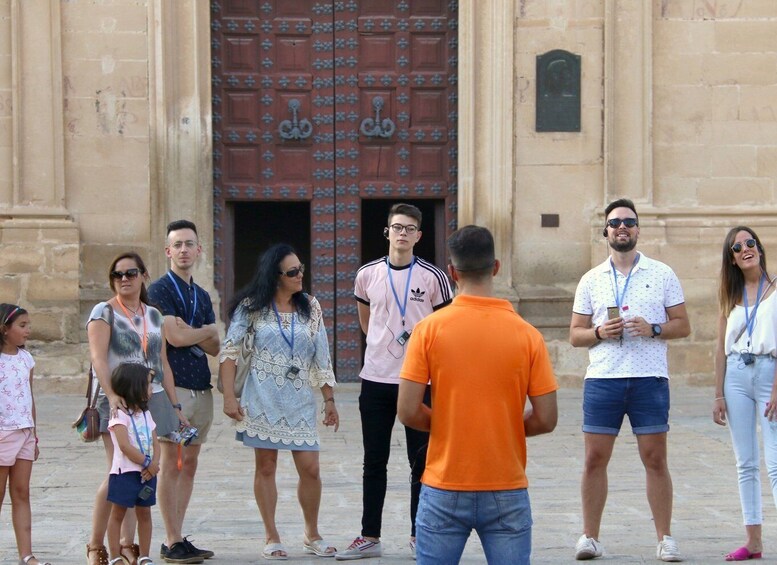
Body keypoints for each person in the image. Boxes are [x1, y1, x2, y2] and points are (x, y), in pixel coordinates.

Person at [397, 225, 559, 565]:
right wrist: (505, 425)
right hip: (506, 484)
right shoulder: (528, 336)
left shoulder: (428, 330)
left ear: (452, 272)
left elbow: (408, 411)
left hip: (444, 482)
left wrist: (448, 424)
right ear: (496, 267)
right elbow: (546, 418)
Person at [569, 198, 691, 562]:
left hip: (648, 378)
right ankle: (590, 537)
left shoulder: (662, 273)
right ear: (605, 231)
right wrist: (600, 332)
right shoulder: (590, 279)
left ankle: (665, 538)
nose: (622, 227)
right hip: (604, 378)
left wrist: (653, 328)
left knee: (655, 459)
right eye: (615, 222)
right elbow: (575, 334)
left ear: (638, 229)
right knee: (594, 459)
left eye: (629, 222)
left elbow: (683, 325)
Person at [337, 203, 452, 561]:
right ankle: (370, 535)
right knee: (375, 460)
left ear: (419, 235)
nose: (402, 233)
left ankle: (421, 534)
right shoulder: (367, 274)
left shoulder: (433, 277)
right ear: (387, 232)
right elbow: (366, 321)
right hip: (376, 380)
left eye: (409, 228)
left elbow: (444, 328)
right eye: (397, 227)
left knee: (423, 461)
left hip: (420, 381)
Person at [219, 243, 339, 560]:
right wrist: (230, 397)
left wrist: (329, 399)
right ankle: (271, 535)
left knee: (311, 469)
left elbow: (322, 355)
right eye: (293, 271)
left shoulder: (311, 307)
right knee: (267, 466)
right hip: (262, 394)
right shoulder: (251, 307)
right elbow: (230, 351)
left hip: (300, 397)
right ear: (276, 276)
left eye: (301, 269)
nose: (301, 275)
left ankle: (312, 534)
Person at [86, 252, 190, 565]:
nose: (124, 279)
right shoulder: (104, 311)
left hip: (152, 397)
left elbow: (163, 363)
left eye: (131, 273)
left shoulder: (154, 314)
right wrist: (111, 395)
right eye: (117, 275)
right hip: (117, 396)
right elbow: (98, 358)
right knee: (119, 471)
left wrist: (175, 405)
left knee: (140, 473)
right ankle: (95, 545)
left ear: (143, 275)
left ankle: (126, 545)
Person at [148, 220, 219, 563]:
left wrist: (196, 330)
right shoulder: (159, 290)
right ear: (168, 251)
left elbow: (216, 346)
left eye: (190, 244)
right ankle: (171, 538)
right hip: (171, 389)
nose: (184, 250)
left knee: (189, 463)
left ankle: (178, 535)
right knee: (170, 463)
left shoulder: (202, 295)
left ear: (198, 249)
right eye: (178, 245)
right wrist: (202, 330)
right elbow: (173, 337)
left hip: (201, 388)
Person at [712, 226, 777, 562]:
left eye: (750, 243)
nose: (745, 249)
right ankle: (753, 542)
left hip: (770, 372)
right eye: (737, 248)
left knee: (776, 461)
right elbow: (720, 350)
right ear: (733, 259)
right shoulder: (730, 295)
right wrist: (717, 394)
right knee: (745, 463)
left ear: (760, 249)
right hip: (736, 375)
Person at [0, 304, 52, 565]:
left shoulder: (26, 359)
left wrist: (35, 435)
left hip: (24, 433)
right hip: (1, 433)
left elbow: (29, 397)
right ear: (4, 329)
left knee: (21, 493)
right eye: (22, 326)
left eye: (29, 325)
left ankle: (27, 555)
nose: (28, 330)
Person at [106, 363, 161, 565]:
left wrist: (154, 464)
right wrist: (147, 462)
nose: (151, 388)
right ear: (134, 387)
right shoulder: (119, 415)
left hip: (147, 474)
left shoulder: (146, 414)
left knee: (144, 513)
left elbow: (156, 442)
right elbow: (124, 446)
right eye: (148, 384)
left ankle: (144, 555)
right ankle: (114, 557)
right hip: (125, 473)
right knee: (118, 514)